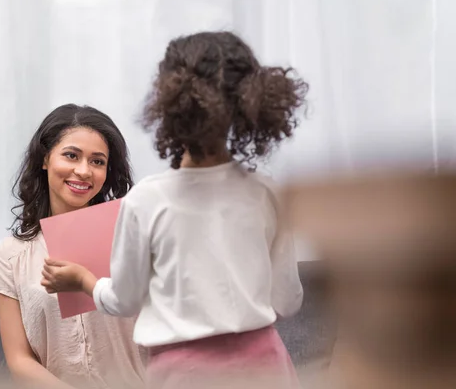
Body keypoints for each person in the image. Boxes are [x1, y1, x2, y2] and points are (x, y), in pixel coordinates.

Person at [42, 32, 308, 388]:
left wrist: (83, 281)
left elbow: (124, 300)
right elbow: (288, 301)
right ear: (252, 102)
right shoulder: (269, 193)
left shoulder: (147, 201)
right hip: (266, 366)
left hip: (184, 374)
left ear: (168, 104)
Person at [0, 104, 145, 389]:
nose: (84, 171)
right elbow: (19, 360)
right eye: (71, 155)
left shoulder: (132, 238)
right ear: (45, 158)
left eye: (97, 161)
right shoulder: (10, 256)